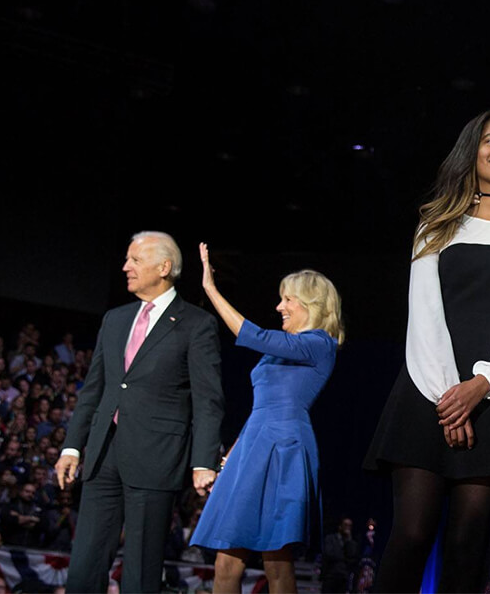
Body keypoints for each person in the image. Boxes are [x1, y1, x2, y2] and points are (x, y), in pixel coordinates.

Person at [363, 109, 490, 592]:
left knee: (467, 543)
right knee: (410, 534)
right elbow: (424, 316)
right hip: (427, 396)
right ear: (472, 151)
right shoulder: (435, 227)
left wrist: (482, 386)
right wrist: (451, 398)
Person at [55, 231, 224, 593]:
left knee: (141, 569)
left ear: (164, 267)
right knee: (84, 563)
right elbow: (95, 389)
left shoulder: (196, 324)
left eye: (134, 259)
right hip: (103, 454)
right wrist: (72, 447)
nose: (125, 266)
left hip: (157, 456)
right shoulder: (115, 319)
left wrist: (203, 461)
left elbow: (207, 399)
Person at [189, 248, 344, 594]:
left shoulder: (320, 344)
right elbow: (262, 405)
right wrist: (234, 450)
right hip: (252, 448)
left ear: (311, 303)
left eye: (287, 299)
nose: (279, 307)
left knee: (277, 563)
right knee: (226, 560)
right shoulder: (282, 349)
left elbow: (254, 336)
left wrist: (211, 290)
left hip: (284, 450)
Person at [321, 517, 359, 593]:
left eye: (349, 526)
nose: (347, 528)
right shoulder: (330, 539)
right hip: (330, 575)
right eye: (345, 525)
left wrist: (348, 541)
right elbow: (329, 554)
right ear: (340, 526)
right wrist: (343, 557)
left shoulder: (352, 543)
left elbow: (352, 557)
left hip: (343, 577)